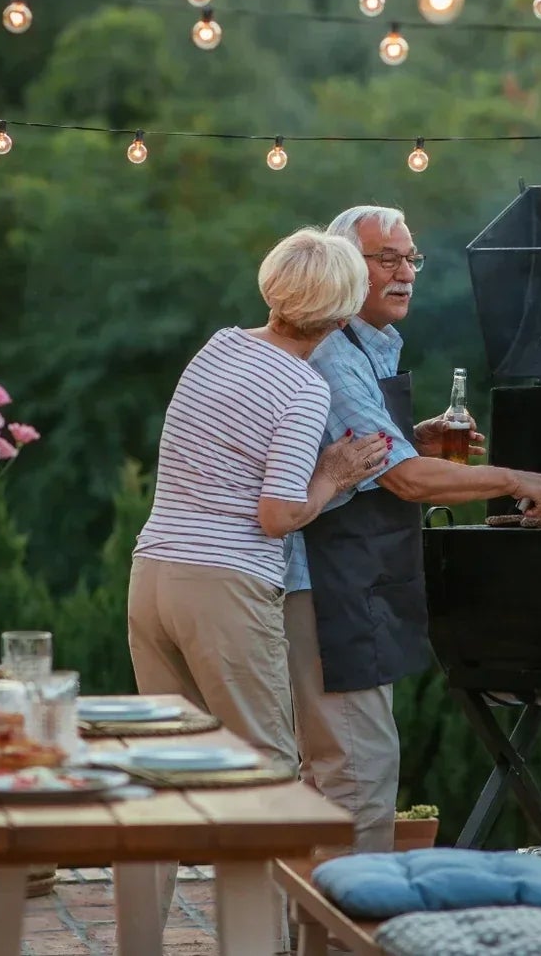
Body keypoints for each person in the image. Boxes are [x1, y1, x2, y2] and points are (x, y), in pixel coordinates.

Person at [285, 204, 541, 855]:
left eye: (410, 257)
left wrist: (415, 438)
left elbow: (367, 456)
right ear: (342, 266)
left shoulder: (366, 346)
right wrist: (513, 478)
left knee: (337, 766)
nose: (404, 272)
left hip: (345, 579)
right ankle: (347, 932)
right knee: (357, 769)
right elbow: (406, 480)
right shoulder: (335, 351)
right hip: (325, 584)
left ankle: (312, 929)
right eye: (386, 258)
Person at [128, 227, 390, 768]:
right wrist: (333, 476)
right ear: (343, 318)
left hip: (153, 574)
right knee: (262, 768)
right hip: (225, 586)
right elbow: (278, 516)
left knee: (165, 760)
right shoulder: (303, 386)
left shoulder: (218, 346)